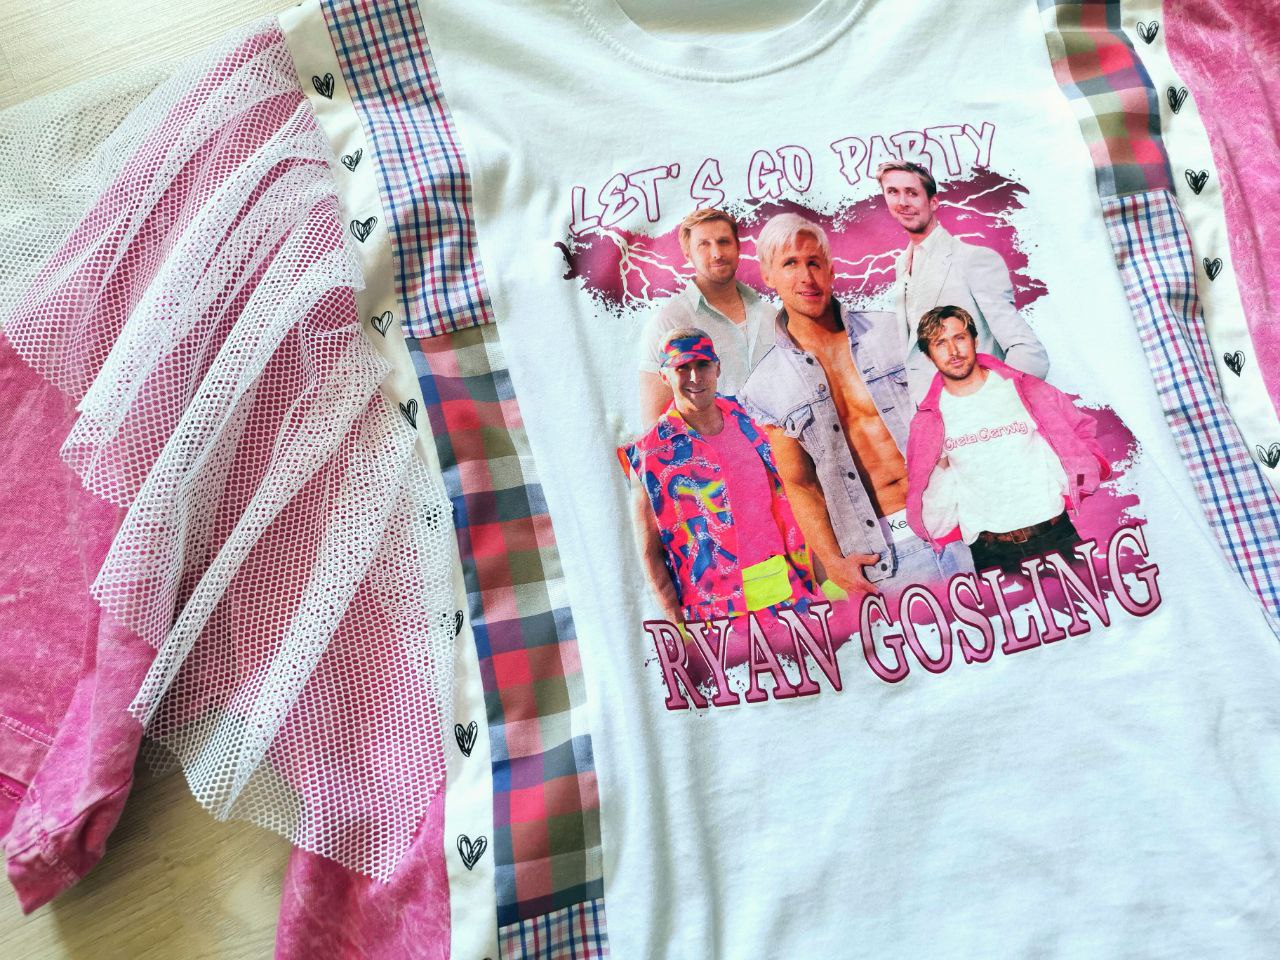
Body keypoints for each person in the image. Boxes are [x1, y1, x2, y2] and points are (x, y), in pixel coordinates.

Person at [739, 214, 972, 598]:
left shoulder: (892, 332)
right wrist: (832, 561)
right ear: (768, 275)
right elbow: (799, 482)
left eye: (814, 262)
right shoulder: (767, 385)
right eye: (790, 264)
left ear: (831, 270)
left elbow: (959, 411)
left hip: (956, 521)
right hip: (879, 557)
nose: (807, 277)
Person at [623, 328, 818, 624]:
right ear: (664, 376)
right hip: (714, 617)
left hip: (791, 596)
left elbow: (802, 494)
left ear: (717, 367)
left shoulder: (756, 420)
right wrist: (678, 626)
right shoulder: (648, 455)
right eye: (682, 368)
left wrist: (825, 581)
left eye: (702, 364)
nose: (694, 377)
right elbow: (650, 553)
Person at [905, 305, 1111, 573]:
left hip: (1055, 535)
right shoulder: (928, 422)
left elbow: (1081, 428)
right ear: (928, 355)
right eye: (940, 343)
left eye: (959, 338)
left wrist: (1081, 475)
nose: (953, 351)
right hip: (991, 553)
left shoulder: (1024, 389)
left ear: (974, 340)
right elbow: (930, 495)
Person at [877, 159, 1049, 403]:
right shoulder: (901, 264)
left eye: (912, 193)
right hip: (934, 417)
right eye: (893, 192)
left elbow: (1029, 352)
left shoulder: (973, 259)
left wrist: (995, 404)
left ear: (933, 202)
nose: (902, 202)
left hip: (980, 412)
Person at [637, 208, 775, 425]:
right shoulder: (668, 324)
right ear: (688, 254)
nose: (717, 253)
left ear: (738, 247)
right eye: (704, 244)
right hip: (717, 446)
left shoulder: (770, 315)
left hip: (784, 444)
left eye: (723, 242)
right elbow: (655, 425)